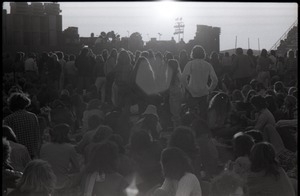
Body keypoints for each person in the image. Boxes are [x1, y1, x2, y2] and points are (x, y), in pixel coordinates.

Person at [181, 45, 218, 119]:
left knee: (191, 114)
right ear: (203, 53)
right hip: (204, 92)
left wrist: (188, 88)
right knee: (203, 114)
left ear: (193, 53)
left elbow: (183, 77)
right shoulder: (208, 65)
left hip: (192, 92)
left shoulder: (190, 64)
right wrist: (210, 89)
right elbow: (215, 80)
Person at [39, 124, 80, 189]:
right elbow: (77, 168)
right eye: (69, 133)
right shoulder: (70, 148)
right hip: (62, 183)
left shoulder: (43, 147)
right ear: (64, 134)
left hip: (46, 182)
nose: (71, 135)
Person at [3, 92, 41, 159]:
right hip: (32, 153)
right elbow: (37, 135)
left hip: (15, 154)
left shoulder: (8, 119)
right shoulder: (33, 116)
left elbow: (5, 140)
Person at [167, 59, 184, 127]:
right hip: (178, 93)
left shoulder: (168, 74)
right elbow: (182, 83)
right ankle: (178, 126)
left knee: (174, 113)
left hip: (172, 95)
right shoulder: (178, 74)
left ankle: (176, 127)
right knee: (177, 112)